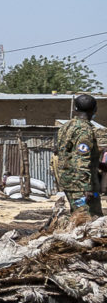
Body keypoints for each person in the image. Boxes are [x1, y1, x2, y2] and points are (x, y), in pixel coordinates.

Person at [54, 95, 102, 225]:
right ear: (94, 110)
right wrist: (87, 188)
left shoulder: (66, 126)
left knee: (76, 217)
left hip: (68, 180)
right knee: (89, 221)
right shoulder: (84, 130)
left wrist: (100, 165)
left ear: (75, 109)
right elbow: (81, 159)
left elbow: (62, 152)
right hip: (81, 184)